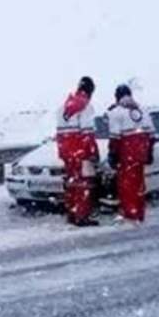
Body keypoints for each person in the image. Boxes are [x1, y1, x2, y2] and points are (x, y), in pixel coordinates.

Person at [106, 85, 156, 222]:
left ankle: (130, 212)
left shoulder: (116, 112)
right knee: (139, 183)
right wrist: (149, 151)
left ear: (117, 97)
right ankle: (140, 212)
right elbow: (152, 134)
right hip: (141, 152)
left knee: (127, 184)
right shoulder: (143, 110)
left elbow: (114, 137)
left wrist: (112, 154)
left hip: (126, 152)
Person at [56, 77, 100, 226]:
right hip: (80, 151)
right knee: (83, 184)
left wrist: (63, 151)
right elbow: (87, 133)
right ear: (90, 91)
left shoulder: (63, 107)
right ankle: (82, 216)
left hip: (66, 151)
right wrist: (93, 152)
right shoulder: (86, 107)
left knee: (71, 183)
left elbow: (60, 133)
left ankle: (71, 213)